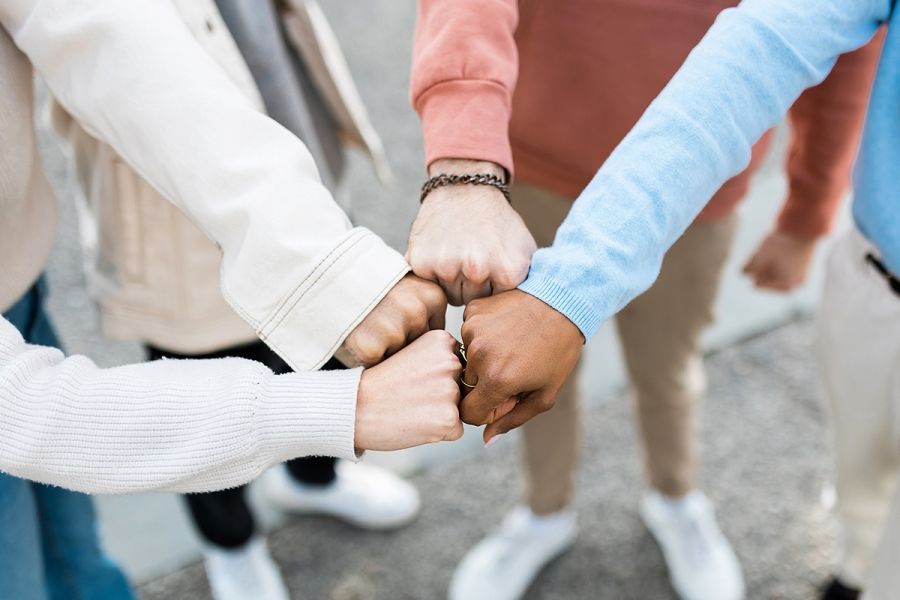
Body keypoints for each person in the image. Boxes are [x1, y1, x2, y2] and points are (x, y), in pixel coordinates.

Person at [415, 0, 900, 598]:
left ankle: (675, 499)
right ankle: (543, 511)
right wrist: (464, 162)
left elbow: (835, 53)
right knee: (523, 373)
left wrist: (806, 212)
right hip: (538, 161)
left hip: (699, 195)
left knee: (667, 368)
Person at [0, 0, 461, 598]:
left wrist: (322, 266)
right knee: (189, 376)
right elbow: (30, 414)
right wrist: (342, 410)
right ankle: (231, 543)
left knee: (77, 555)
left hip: (21, 272)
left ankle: (312, 480)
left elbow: (100, 26)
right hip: (153, 215)